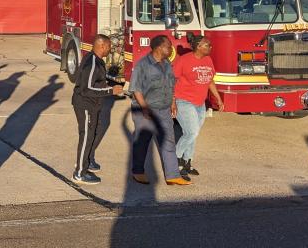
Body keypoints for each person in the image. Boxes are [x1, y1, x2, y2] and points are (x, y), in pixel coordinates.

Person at [128, 35, 191, 186]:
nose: (171, 49)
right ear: (159, 48)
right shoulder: (142, 65)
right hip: (145, 109)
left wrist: (173, 102)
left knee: (168, 141)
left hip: (163, 109)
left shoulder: (167, 63)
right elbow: (136, 89)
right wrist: (144, 108)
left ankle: (172, 175)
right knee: (143, 142)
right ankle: (138, 172)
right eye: (168, 46)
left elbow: (170, 84)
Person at [72, 35, 125, 185]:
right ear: (101, 46)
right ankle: (79, 173)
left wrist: (113, 84)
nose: (110, 49)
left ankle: (86, 162)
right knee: (86, 137)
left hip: (93, 104)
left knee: (93, 133)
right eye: (109, 46)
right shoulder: (92, 63)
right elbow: (86, 88)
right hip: (85, 104)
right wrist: (110, 91)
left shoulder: (96, 59)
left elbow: (97, 82)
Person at [173, 35, 223, 180]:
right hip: (184, 101)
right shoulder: (184, 60)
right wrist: (172, 101)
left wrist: (218, 99)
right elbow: (172, 80)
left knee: (192, 134)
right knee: (192, 132)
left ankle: (188, 162)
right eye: (207, 45)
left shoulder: (208, 60)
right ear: (198, 46)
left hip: (200, 103)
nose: (210, 47)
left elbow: (210, 81)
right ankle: (176, 161)